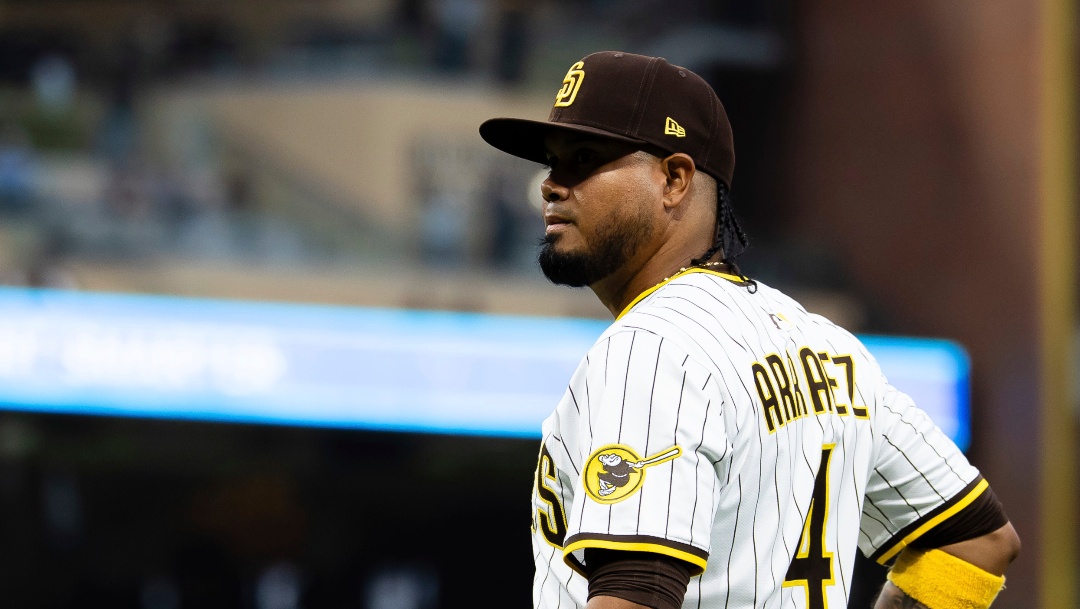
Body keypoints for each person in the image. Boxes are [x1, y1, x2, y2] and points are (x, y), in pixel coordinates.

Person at [479, 51, 1020, 609]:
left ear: (674, 179)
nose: (552, 185)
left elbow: (632, 597)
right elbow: (977, 541)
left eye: (585, 159)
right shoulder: (831, 349)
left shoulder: (651, 349)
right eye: (552, 162)